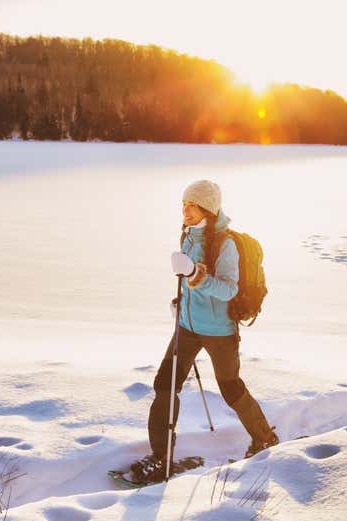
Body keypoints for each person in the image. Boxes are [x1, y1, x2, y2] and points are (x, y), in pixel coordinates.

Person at [133, 179, 278, 482]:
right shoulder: (188, 235)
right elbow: (189, 283)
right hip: (187, 327)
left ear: (207, 210)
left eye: (192, 206)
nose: (185, 211)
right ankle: (161, 457)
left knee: (230, 388)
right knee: (164, 385)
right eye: (183, 205)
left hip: (218, 331)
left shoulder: (224, 244)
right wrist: (182, 302)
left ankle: (264, 438)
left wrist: (196, 275)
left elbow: (228, 290)